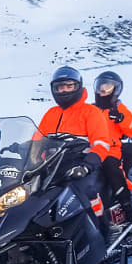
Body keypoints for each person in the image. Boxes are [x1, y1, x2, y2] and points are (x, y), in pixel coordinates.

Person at [37, 66, 111, 230]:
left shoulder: (90, 112)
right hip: (54, 166)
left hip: (82, 165)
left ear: (78, 87)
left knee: (86, 192)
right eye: (59, 87)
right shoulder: (51, 113)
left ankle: (101, 230)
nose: (63, 91)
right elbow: (37, 140)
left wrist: (87, 165)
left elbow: (101, 143)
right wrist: (18, 148)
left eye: (68, 86)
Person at [91, 71, 132, 225]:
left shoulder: (119, 108)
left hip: (111, 150)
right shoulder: (90, 109)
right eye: (101, 85)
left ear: (115, 89)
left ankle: (127, 206)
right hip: (90, 150)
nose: (103, 89)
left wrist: (121, 119)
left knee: (111, 168)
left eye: (107, 86)